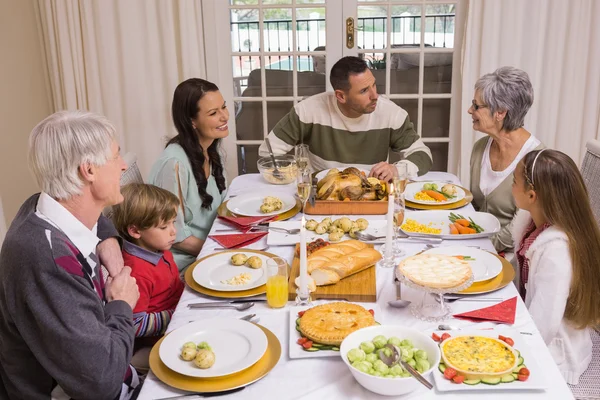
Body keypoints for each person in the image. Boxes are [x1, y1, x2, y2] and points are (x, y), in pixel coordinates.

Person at [0, 111, 141, 399]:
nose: (124, 165)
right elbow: (101, 382)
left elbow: (84, 216)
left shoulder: (38, 209)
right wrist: (122, 304)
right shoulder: (45, 258)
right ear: (88, 170)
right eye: (116, 157)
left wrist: (108, 238)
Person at [258, 56, 433, 181]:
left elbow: (422, 155)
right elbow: (269, 152)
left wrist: (396, 170)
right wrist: (296, 177)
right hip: (320, 194)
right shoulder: (308, 110)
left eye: (373, 85)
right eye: (364, 91)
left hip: (370, 194)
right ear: (340, 96)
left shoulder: (391, 113)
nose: (375, 96)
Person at [511, 149, 600, 385]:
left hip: (556, 354)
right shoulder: (534, 224)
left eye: (514, 182)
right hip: (532, 328)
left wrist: (510, 351)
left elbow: (545, 324)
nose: (511, 186)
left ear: (532, 196)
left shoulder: (556, 252)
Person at [149, 78, 229, 271]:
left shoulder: (209, 148)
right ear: (192, 121)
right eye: (213, 113)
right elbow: (175, 237)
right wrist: (223, 251)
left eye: (223, 107)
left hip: (208, 248)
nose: (224, 116)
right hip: (184, 264)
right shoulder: (174, 164)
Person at [469, 66, 544, 253]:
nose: (470, 110)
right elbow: (475, 208)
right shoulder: (480, 149)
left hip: (511, 256)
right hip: (476, 246)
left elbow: (517, 231)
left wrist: (473, 247)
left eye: (477, 105)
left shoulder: (536, 160)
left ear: (500, 112)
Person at [111, 183, 184, 343]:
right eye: (164, 226)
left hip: (180, 309)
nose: (174, 231)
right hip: (162, 335)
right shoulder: (137, 272)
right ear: (136, 231)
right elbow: (135, 324)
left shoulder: (159, 248)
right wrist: (177, 313)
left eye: (173, 222)